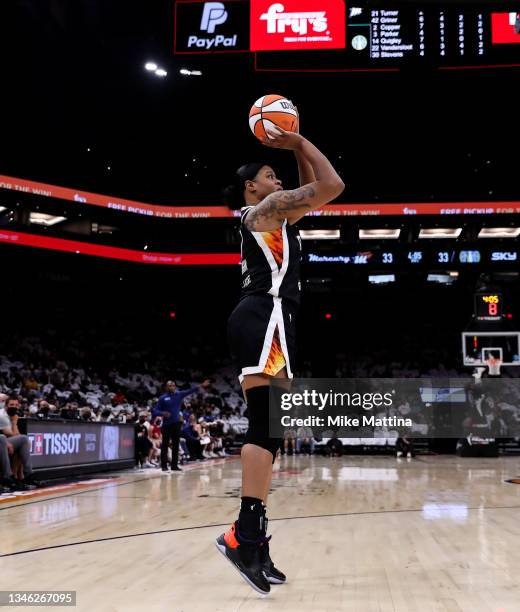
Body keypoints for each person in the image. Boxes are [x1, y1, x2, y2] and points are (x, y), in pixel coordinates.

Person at [215, 117, 344, 594]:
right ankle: (242, 536)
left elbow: (312, 185)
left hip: (271, 319)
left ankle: (252, 537)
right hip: (263, 315)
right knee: (264, 428)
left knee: (271, 433)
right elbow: (331, 185)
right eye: (271, 175)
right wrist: (299, 140)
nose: (280, 183)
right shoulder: (264, 210)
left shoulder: (275, 217)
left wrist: (292, 151)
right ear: (252, 187)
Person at [152, 379, 211, 472]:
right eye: (169, 385)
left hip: (176, 424)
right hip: (166, 425)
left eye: (173, 385)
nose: (171, 386)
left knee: (176, 445)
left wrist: (201, 385)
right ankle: (164, 466)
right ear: (166, 387)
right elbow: (155, 411)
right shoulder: (162, 398)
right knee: (165, 445)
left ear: (175, 386)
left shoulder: (178, 394)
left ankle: (174, 466)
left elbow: (190, 390)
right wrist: (163, 413)